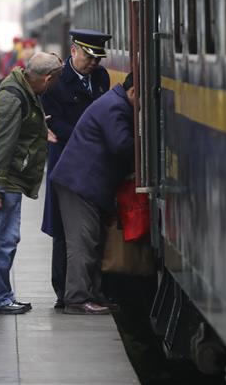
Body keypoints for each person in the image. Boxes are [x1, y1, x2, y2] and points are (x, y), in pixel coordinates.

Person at [0, 52, 63, 315]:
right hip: (4, 180)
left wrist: (38, 129)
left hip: (7, 179)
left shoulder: (22, 90)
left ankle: (0, 295)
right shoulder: (11, 99)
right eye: (55, 81)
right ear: (47, 79)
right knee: (1, 240)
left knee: (5, 238)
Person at [50, 72, 135, 315]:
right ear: (134, 92)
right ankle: (76, 299)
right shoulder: (115, 107)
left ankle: (94, 294)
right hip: (79, 183)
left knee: (94, 242)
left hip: (86, 183)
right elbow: (121, 145)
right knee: (83, 242)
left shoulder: (114, 102)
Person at [40, 28, 112, 309]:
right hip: (67, 163)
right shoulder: (56, 82)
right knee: (63, 229)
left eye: (97, 59)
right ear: (74, 51)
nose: (93, 63)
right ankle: (64, 292)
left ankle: (91, 290)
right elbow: (54, 124)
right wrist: (91, 137)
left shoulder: (101, 77)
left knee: (90, 231)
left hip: (95, 165)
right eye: (88, 57)